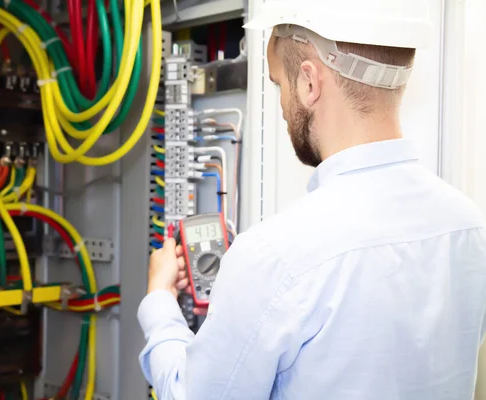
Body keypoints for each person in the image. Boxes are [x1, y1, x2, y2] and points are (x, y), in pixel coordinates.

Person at [137, 0, 486, 398]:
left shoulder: (274, 257)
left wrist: (159, 303)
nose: (283, 109)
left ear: (308, 82)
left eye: (278, 86)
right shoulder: (469, 229)